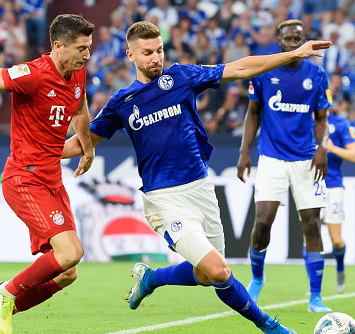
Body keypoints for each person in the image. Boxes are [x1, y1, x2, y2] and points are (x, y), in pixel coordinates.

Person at [63, 21, 331, 334]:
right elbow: (81, 143)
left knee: (206, 275)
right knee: (219, 271)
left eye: (160, 50)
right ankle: (271, 326)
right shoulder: (122, 103)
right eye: (147, 52)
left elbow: (241, 69)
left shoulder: (182, 77)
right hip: (164, 198)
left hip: (201, 189)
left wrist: (294, 55)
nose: (156, 58)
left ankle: (151, 278)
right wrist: (41, 151)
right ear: (130, 55)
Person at [0, 14, 96, 334]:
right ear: (58, 46)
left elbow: (79, 109)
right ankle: (5, 291)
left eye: (89, 47)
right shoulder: (33, 74)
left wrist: (88, 146)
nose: (87, 54)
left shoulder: (77, 75)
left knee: (67, 272)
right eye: (81, 48)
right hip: (25, 178)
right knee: (71, 252)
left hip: (52, 180)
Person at [236, 19, 332, 313]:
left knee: (312, 224)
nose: (294, 42)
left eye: (298, 38)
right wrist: (244, 152)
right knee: (263, 221)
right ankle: (257, 278)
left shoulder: (316, 74)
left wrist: (321, 149)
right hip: (272, 158)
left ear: (305, 40)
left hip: (306, 159)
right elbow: (253, 113)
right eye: (289, 38)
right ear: (279, 41)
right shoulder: (265, 72)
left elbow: (321, 118)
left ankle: (315, 296)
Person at [322, 110, 355, 293]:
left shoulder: (340, 123)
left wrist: (332, 148)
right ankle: (315, 290)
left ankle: (340, 269)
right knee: (309, 239)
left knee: (336, 240)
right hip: (307, 185)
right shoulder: (302, 116)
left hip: (333, 185)